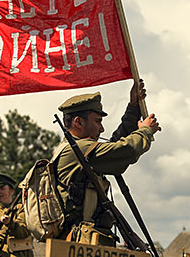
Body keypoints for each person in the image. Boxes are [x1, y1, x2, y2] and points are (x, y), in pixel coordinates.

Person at [55, 80, 161, 246]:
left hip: (85, 242)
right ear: (78, 122)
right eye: (97, 121)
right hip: (79, 245)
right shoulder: (77, 150)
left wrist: (133, 107)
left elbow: (113, 148)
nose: (101, 129)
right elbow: (123, 152)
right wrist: (145, 131)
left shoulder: (79, 150)